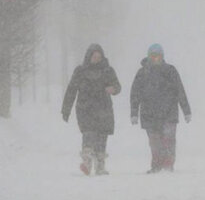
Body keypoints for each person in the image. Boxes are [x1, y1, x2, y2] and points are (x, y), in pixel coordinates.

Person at [130, 43, 191, 173]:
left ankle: (168, 164)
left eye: (158, 56)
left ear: (162, 56)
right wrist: (134, 112)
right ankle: (156, 165)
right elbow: (135, 94)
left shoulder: (170, 71)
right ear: (149, 57)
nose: (155, 58)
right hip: (149, 114)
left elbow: (180, 90)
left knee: (169, 140)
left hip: (169, 113)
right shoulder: (142, 73)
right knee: (155, 142)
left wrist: (186, 111)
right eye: (153, 56)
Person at [62, 44, 121, 176]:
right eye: (94, 57)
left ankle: (100, 165)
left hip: (103, 107)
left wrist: (114, 89)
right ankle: (87, 162)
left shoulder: (108, 71)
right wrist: (66, 109)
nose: (96, 59)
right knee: (88, 134)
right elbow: (71, 90)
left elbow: (117, 86)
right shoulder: (80, 71)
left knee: (102, 136)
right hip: (85, 108)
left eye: (99, 57)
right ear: (89, 56)